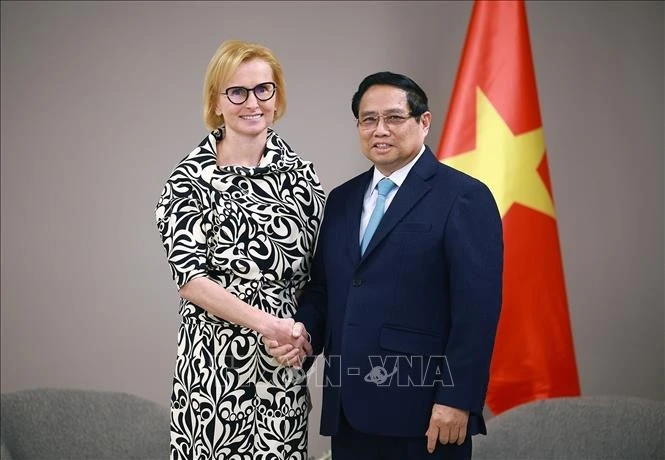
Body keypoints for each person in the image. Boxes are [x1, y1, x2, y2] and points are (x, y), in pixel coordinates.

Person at [266, 71, 503, 459]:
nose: (380, 129)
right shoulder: (341, 200)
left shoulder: (463, 197)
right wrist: (303, 334)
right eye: (368, 119)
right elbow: (325, 289)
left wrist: (457, 399)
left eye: (394, 118)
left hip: (425, 414)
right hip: (348, 411)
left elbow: (477, 311)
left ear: (423, 122)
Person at [155, 39, 325, 460]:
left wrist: (301, 333)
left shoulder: (302, 176)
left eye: (263, 89)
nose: (253, 102)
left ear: (277, 95)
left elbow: (321, 275)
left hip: (281, 364)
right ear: (217, 100)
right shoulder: (187, 180)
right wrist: (269, 324)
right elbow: (191, 282)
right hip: (213, 376)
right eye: (238, 91)